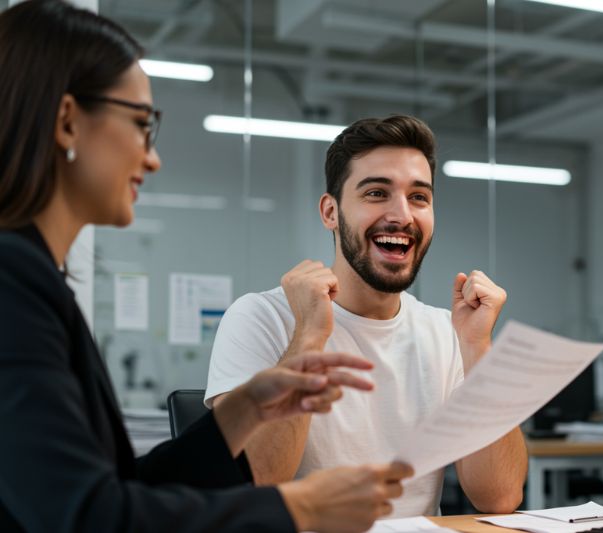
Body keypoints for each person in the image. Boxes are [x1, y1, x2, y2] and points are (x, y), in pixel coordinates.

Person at [0, 1, 413, 532]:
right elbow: (88, 518)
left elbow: (118, 488)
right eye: (141, 124)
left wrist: (245, 409)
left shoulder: (33, 278)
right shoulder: (13, 283)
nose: (153, 158)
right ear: (66, 121)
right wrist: (300, 508)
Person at [206, 115, 528, 517]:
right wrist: (309, 334)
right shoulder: (260, 318)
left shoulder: (446, 332)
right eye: (377, 193)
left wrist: (478, 348)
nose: (403, 215)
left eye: (419, 197)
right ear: (330, 211)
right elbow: (252, 486)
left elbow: (498, 496)